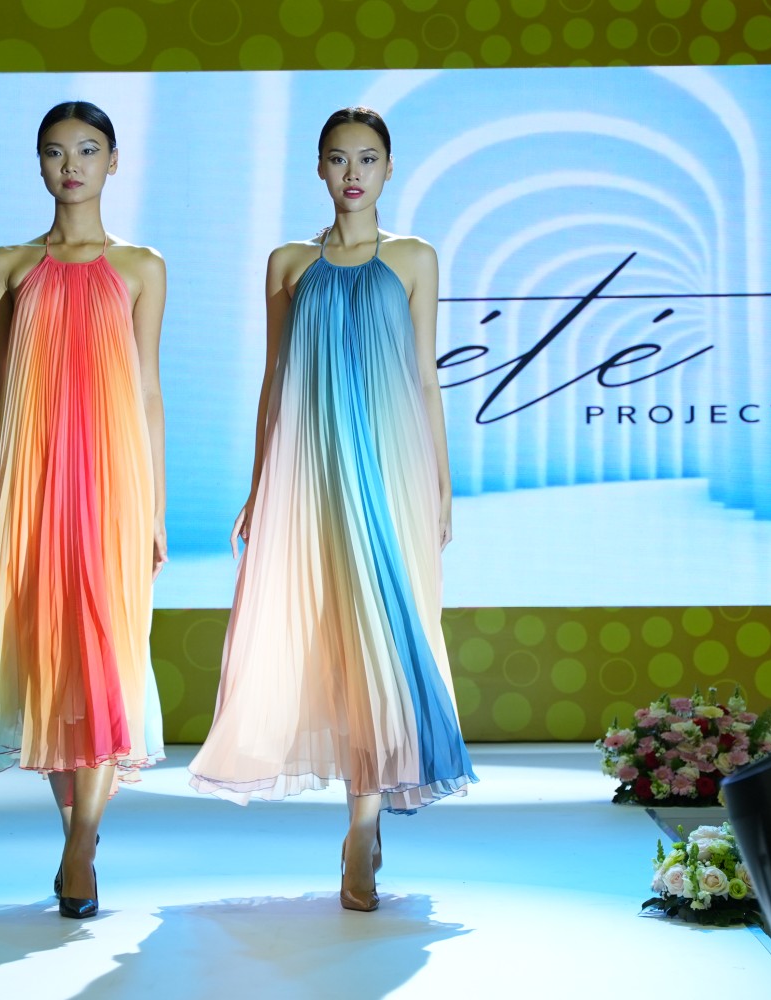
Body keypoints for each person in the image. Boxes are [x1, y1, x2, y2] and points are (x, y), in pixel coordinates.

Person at [189, 107, 475, 911]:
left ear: (389, 168)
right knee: (333, 641)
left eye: (368, 158)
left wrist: (442, 484)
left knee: (384, 638)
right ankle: (362, 822)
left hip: (391, 473)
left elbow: (425, 377)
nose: (354, 173)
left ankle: (361, 827)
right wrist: (259, 485)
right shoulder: (288, 263)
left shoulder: (415, 257)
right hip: (311, 474)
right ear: (318, 168)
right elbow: (275, 379)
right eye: (339, 158)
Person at [0, 100, 168, 920]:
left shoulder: (141, 267)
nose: (72, 165)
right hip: (29, 483)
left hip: (115, 484)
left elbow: (149, 391)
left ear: (114, 161)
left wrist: (155, 507)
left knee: (103, 656)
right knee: (51, 662)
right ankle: (77, 841)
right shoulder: (8, 265)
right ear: (39, 163)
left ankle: (81, 846)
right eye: (57, 151)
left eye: (89, 150)